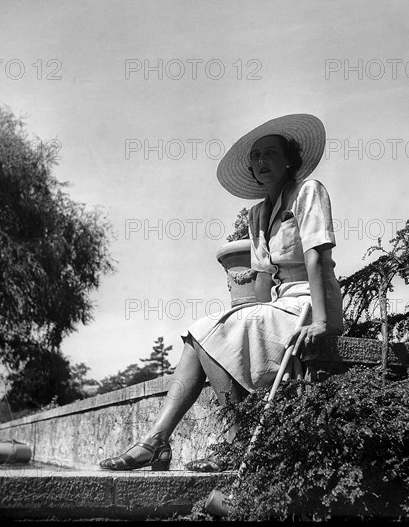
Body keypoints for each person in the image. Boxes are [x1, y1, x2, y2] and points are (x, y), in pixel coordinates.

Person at [100, 113, 344, 472]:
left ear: (289, 158)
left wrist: (323, 321)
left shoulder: (309, 191)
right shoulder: (258, 214)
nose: (261, 161)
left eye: (270, 153)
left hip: (311, 306)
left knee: (216, 330)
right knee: (204, 333)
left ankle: (230, 443)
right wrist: (242, 328)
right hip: (279, 308)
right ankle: (157, 440)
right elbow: (262, 283)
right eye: (256, 156)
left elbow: (317, 257)